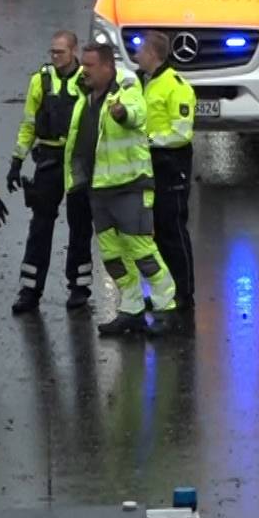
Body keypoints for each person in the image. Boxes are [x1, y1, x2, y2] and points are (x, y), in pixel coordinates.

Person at [67, 42, 180, 336]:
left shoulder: (126, 87)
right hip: (98, 189)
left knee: (142, 250)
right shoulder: (87, 96)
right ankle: (131, 309)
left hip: (130, 186)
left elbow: (136, 113)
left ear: (107, 67)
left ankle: (166, 306)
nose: (85, 71)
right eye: (84, 66)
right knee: (112, 254)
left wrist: (121, 113)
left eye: (90, 66)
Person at [8, 31, 96, 313]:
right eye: (52, 52)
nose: (55, 57)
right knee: (40, 225)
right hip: (48, 159)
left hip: (78, 161)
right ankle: (30, 290)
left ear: (74, 51)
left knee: (80, 224)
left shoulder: (87, 80)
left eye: (60, 52)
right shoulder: (40, 80)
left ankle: (79, 287)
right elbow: (29, 125)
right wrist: (16, 161)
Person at [134, 30, 197, 310]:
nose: (137, 55)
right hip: (151, 166)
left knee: (173, 230)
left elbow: (181, 133)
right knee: (156, 231)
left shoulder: (176, 85)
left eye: (140, 50)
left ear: (152, 54)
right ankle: (166, 291)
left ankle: (184, 292)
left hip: (171, 167)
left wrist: (148, 140)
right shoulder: (145, 82)